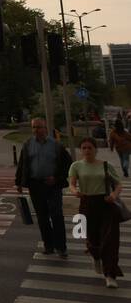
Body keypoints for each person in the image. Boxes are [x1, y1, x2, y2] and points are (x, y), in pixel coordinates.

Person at [68, 137, 123, 288]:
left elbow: (118, 184)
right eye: (84, 148)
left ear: (95, 149)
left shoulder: (106, 165)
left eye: (90, 148)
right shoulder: (76, 166)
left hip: (105, 204)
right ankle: (95, 256)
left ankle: (110, 275)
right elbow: (71, 184)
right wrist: (75, 192)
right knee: (91, 238)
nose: (87, 151)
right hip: (86, 202)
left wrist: (113, 195)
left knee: (110, 240)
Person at [15, 117, 72, 258]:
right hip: (35, 185)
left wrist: (57, 178)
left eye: (39, 127)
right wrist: (19, 182)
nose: (36, 130)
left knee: (56, 215)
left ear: (45, 128)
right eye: (34, 127)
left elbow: (68, 165)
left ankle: (61, 247)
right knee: (42, 217)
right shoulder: (28, 144)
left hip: (52, 185)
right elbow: (22, 164)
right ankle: (49, 245)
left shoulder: (56, 145)